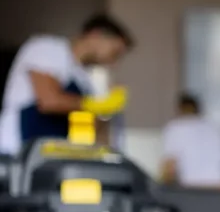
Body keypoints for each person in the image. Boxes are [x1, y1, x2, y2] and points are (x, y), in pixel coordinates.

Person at [0, 14, 133, 155]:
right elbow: (49, 101)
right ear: (96, 35)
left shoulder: (84, 79)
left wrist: (106, 112)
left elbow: (92, 128)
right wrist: (94, 105)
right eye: (115, 52)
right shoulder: (48, 48)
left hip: (49, 154)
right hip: (14, 152)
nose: (114, 63)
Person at [160, 93, 220, 186]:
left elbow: (169, 166)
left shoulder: (175, 128)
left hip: (193, 188)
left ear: (180, 109)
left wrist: (162, 189)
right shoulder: (216, 128)